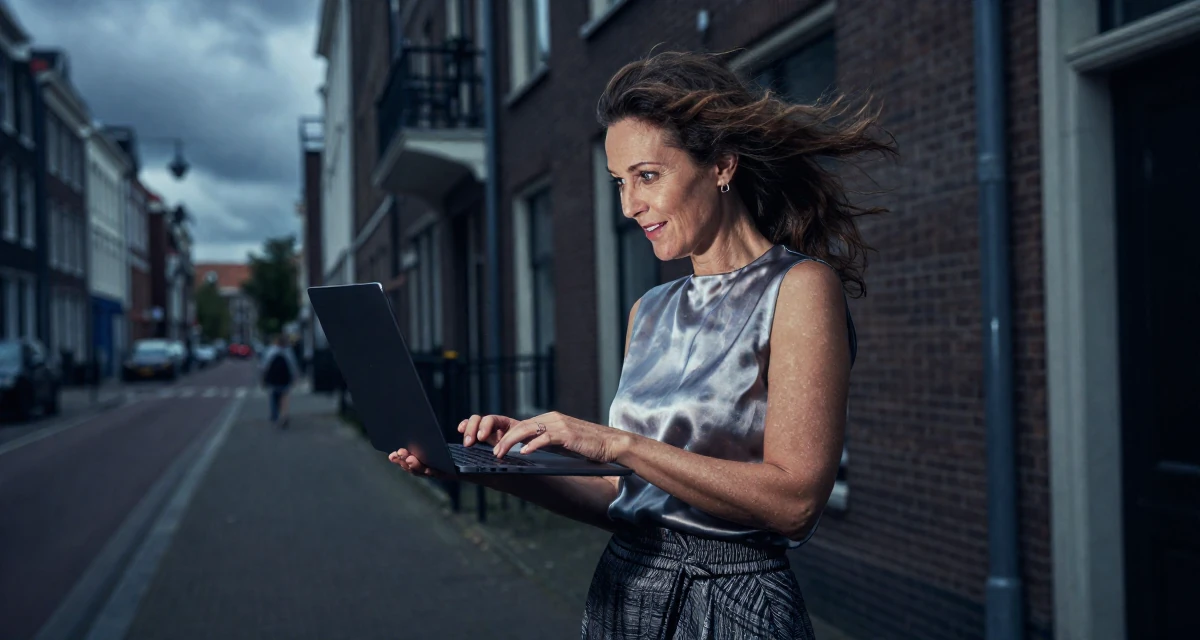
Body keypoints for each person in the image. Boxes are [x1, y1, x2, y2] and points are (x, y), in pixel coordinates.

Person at [389, 50, 896, 638]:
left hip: (731, 603)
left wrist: (613, 442)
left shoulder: (799, 289)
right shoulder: (649, 310)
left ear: (722, 166)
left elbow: (794, 501)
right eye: (619, 183)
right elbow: (620, 498)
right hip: (624, 595)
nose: (629, 205)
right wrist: (484, 469)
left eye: (647, 176)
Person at [261, 334, 300, 428]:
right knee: (284, 397)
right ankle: (284, 416)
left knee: (273, 396)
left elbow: (264, 366)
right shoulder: (288, 351)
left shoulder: (270, 351)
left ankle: (275, 415)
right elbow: (293, 366)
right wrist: (295, 378)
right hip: (285, 379)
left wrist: (263, 379)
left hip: (273, 379)